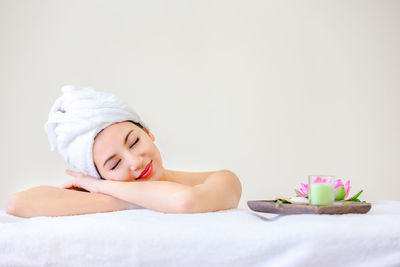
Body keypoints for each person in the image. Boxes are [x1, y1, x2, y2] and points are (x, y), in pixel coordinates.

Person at [6, 85, 242, 218]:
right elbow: (18, 204)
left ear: (148, 133)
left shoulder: (222, 179)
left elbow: (184, 201)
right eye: (114, 164)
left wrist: (103, 188)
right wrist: (126, 197)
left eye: (134, 142)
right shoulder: (114, 192)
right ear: (99, 175)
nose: (134, 161)